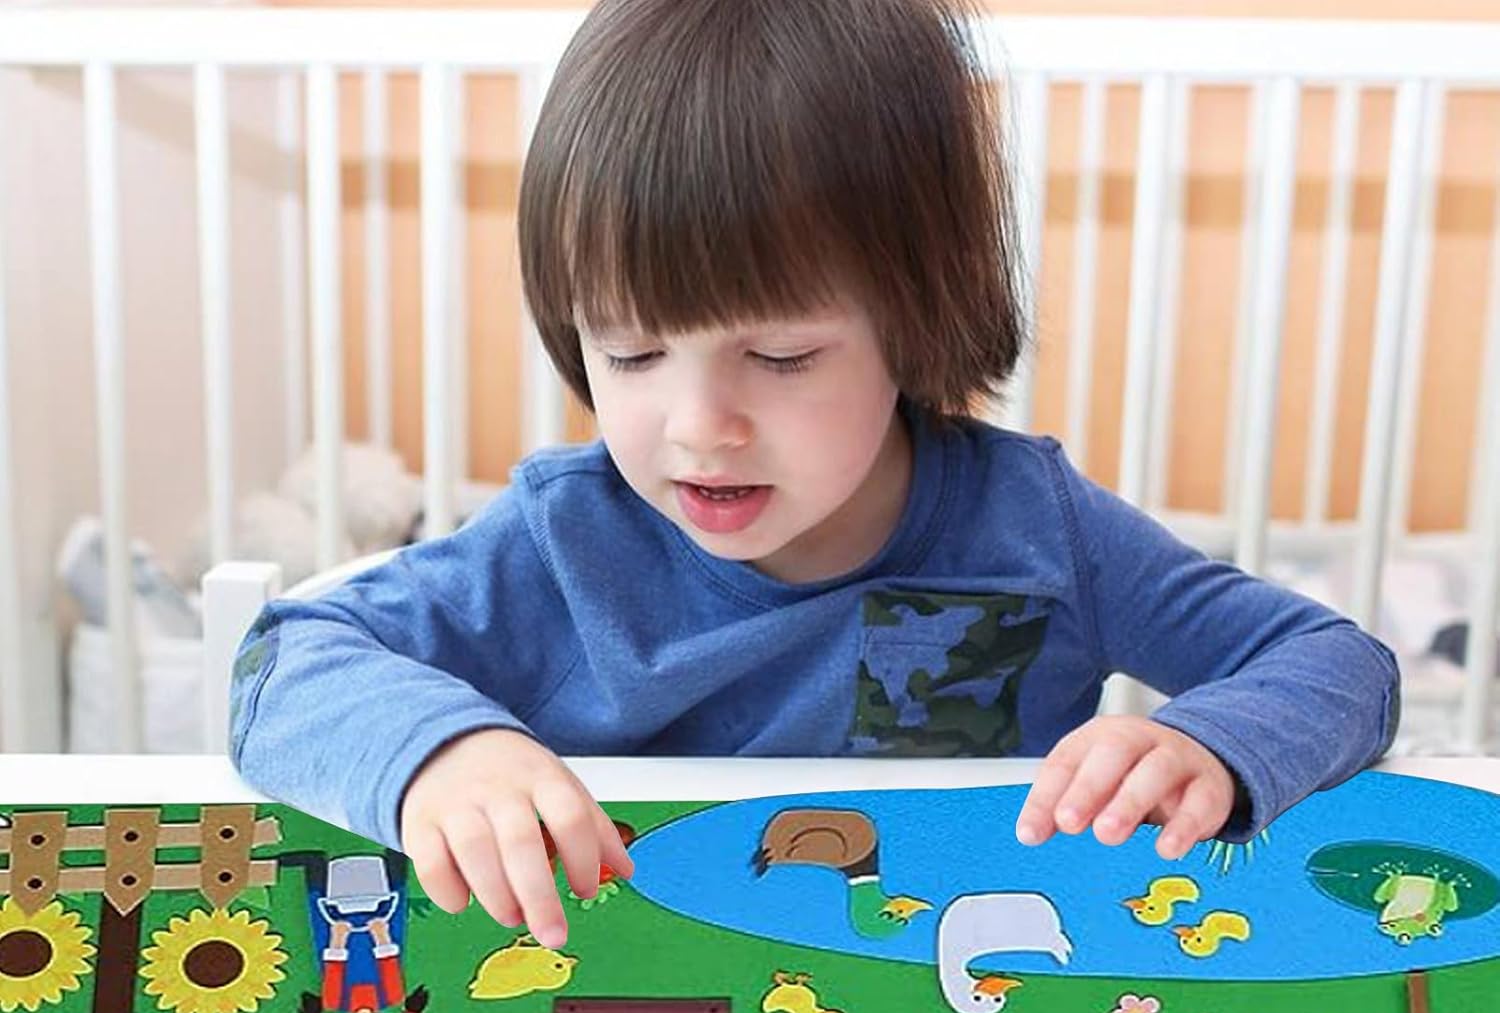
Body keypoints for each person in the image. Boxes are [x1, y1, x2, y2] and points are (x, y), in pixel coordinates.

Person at [230, 0, 1401, 949]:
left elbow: (1336, 664)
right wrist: (446, 751)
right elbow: (285, 660)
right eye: (630, 354)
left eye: (782, 357)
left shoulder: (1036, 529)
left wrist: (1206, 743)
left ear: (917, 320)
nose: (702, 428)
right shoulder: (561, 543)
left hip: (950, 1000)